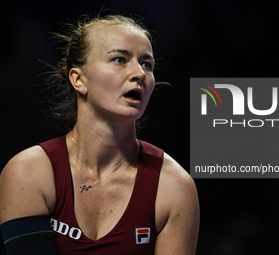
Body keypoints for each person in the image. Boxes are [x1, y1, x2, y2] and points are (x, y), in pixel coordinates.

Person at [0, 14, 199, 254]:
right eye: (119, 59)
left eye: (147, 64)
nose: (139, 73)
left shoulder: (174, 187)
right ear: (79, 79)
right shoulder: (27, 172)